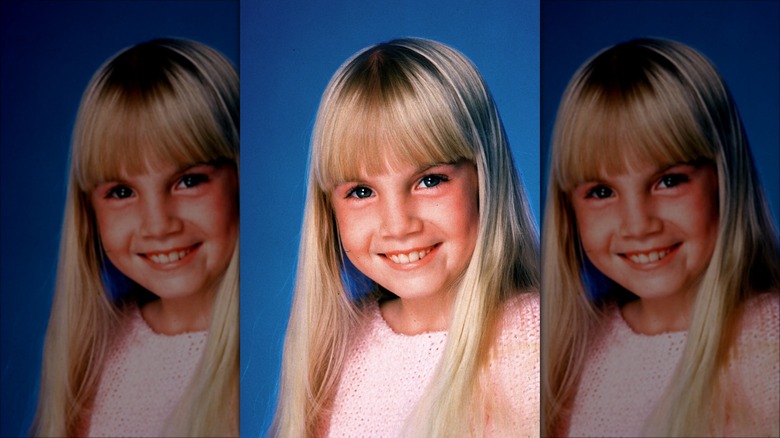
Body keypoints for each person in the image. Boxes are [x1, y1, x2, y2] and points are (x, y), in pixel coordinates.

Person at [271, 38, 540, 436]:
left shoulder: (529, 342)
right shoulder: (339, 346)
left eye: (430, 181)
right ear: (328, 208)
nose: (398, 225)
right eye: (362, 191)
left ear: (485, 179)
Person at [541, 37, 780, 437]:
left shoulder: (768, 342)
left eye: (669, 181)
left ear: (725, 179)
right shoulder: (571, 353)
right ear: (568, 209)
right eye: (601, 192)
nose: (638, 225)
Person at [31, 38, 239, 437]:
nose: (158, 225)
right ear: (88, 210)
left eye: (189, 181)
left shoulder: (257, 356)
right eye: (122, 192)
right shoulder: (91, 358)